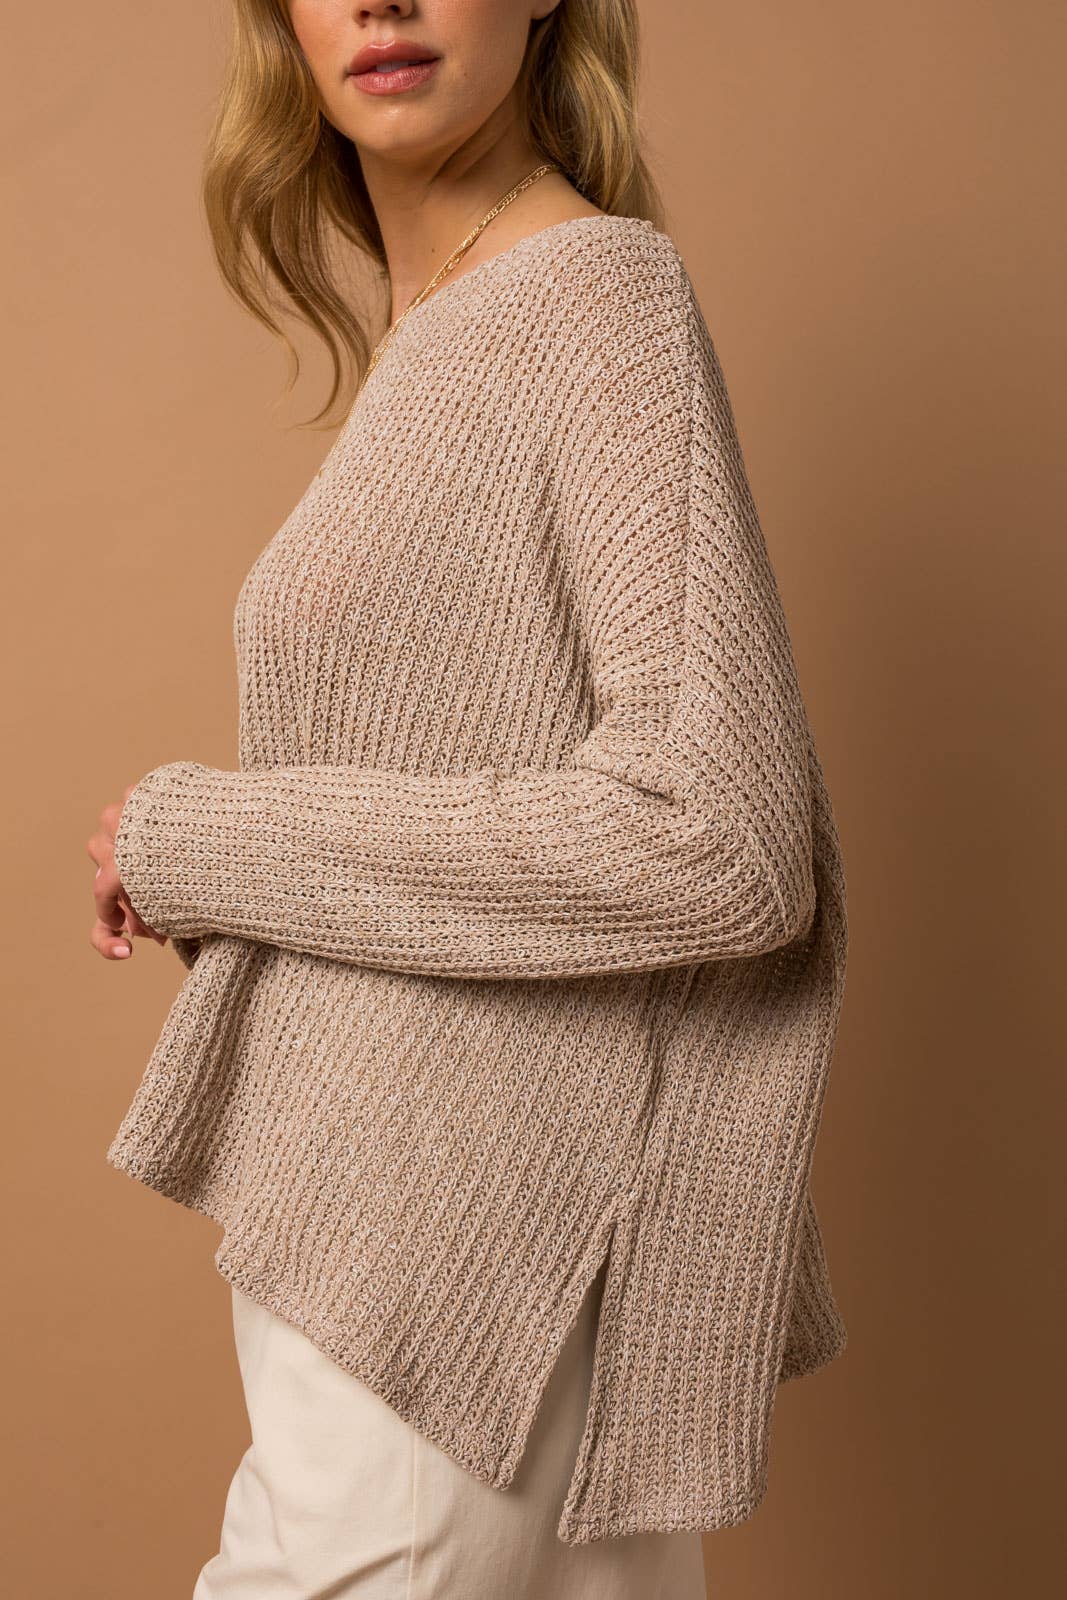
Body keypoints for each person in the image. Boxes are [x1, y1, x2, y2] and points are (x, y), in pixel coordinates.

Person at [87, 2, 849, 1595]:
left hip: (461, 1282)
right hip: (430, 1253)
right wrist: (220, 872)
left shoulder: (590, 293)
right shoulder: (450, 319)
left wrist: (208, 840)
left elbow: (719, 836)